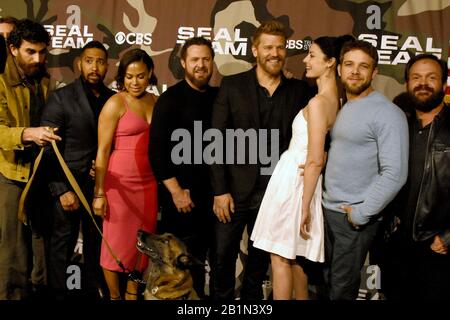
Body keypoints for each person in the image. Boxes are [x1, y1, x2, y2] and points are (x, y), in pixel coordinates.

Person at [210, 20, 311, 300]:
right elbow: (215, 140)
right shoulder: (232, 85)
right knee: (222, 258)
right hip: (233, 190)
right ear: (255, 50)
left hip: (275, 192)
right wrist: (220, 190)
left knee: (259, 263)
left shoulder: (298, 91)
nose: (275, 53)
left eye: (280, 47)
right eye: (268, 47)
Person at [251, 36, 346, 300]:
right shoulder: (334, 101)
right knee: (294, 260)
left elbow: (315, 158)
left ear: (330, 63)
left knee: (280, 257)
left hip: (296, 183)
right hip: (302, 182)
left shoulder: (317, 104)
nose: (306, 59)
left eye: (312, 55)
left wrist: (304, 206)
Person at [321, 40, 409, 300]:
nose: (355, 71)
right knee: (327, 284)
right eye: (349, 64)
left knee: (340, 290)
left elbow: (395, 173)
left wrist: (361, 213)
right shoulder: (343, 106)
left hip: (352, 217)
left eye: (364, 66)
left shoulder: (386, 112)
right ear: (339, 69)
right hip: (328, 212)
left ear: (375, 72)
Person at [40, 40, 114, 300]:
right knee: (62, 246)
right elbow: (47, 150)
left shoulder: (112, 99)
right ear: (79, 63)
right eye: (90, 61)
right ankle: (58, 295)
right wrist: (60, 190)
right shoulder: (61, 97)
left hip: (100, 188)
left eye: (101, 61)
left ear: (107, 66)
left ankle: (92, 293)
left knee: (97, 246)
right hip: (67, 185)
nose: (95, 67)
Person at [149, 37, 218, 299]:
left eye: (206, 59)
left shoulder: (218, 96)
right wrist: (176, 191)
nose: (201, 65)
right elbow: (156, 153)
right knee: (178, 268)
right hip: (181, 201)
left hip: (212, 199)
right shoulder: (170, 100)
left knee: (205, 266)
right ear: (183, 63)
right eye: (195, 60)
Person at [381, 54, 450, 300]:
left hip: (437, 247)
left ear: (443, 83)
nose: (423, 83)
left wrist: (448, 237)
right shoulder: (398, 125)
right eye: (416, 78)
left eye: (431, 78)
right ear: (407, 83)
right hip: (397, 244)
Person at [0, 18, 60, 300]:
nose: (38, 59)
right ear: (13, 49)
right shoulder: (0, 79)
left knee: (41, 254)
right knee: (12, 255)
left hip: (41, 176)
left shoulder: (47, 78)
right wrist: (27, 133)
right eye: (30, 52)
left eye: (42, 52)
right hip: (10, 174)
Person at [93, 48, 158, 300]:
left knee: (142, 247)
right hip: (118, 186)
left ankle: (132, 296)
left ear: (150, 73)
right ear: (122, 77)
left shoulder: (156, 101)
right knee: (115, 245)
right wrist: (99, 193)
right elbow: (102, 150)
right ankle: (114, 297)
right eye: (129, 77)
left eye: (140, 76)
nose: (134, 82)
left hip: (148, 185)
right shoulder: (115, 103)